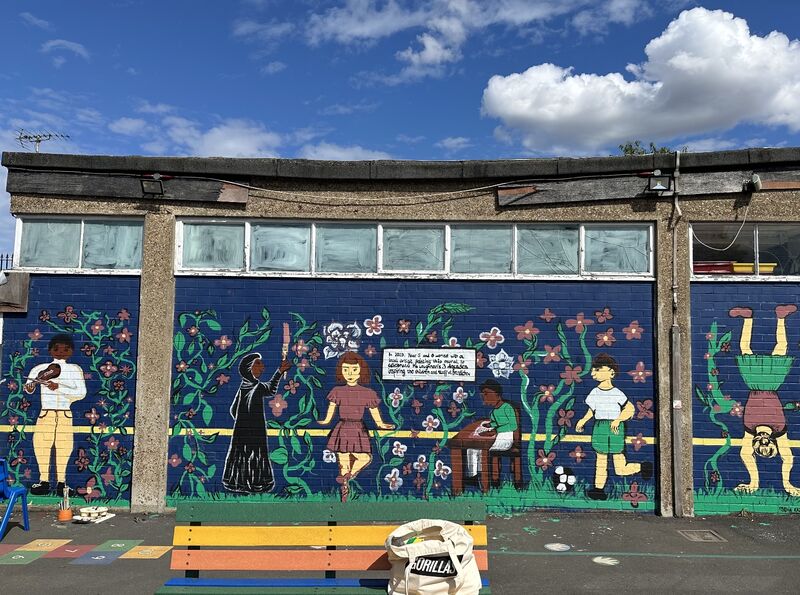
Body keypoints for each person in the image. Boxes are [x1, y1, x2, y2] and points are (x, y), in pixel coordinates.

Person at [729, 304, 800, 496]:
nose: (763, 444)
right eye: (768, 447)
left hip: (753, 382)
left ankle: (748, 318)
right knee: (781, 349)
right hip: (772, 383)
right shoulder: (779, 430)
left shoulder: (749, 431)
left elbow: (744, 454)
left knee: (745, 349)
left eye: (760, 448)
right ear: (773, 444)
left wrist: (753, 483)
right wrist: (788, 485)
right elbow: (788, 457)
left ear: (755, 446)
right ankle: (781, 318)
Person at [319, 351, 394, 502]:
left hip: (358, 429)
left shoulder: (367, 393)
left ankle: (348, 476)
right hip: (342, 428)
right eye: (346, 369)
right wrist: (325, 421)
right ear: (341, 371)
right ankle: (345, 493)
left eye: (354, 369)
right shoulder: (337, 391)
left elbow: (374, 413)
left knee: (365, 457)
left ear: (361, 371)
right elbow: (331, 411)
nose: (350, 373)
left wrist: (382, 425)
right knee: (343, 462)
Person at [576, 353, 652, 500]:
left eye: (598, 369)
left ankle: (641, 467)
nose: (593, 373)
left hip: (615, 429)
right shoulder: (594, 393)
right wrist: (583, 421)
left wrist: (618, 420)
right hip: (600, 428)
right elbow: (592, 410)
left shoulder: (617, 394)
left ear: (611, 372)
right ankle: (598, 490)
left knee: (619, 468)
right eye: (593, 370)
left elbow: (629, 409)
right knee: (601, 461)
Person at [24, 334, 87, 496]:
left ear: (71, 351)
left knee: (64, 448)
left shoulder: (74, 369)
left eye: (65, 349)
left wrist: (58, 386)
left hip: (65, 414)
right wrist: (34, 383)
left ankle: (62, 483)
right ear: (50, 350)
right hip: (46, 414)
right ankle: (44, 481)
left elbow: (81, 393)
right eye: (56, 349)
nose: (60, 352)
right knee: (41, 446)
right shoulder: (40, 368)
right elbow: (28, 388)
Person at [222, 352, 292, 493]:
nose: (263, 368)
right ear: (249, 368)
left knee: (240, 454)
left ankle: (238, 482)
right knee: (255, 454)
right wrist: (279, 372)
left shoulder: (244, 387)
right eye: (258, 364)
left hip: (241, 431)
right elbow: (271, 389)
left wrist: (242, 421)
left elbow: (233, 410)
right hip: (255, 430)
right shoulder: (256, 387)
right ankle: (256, 483)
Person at [465, 379, 518, 483]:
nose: (484, 397)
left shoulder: (507, 407)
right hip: (497, 438)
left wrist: (495, 431)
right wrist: (490, 425)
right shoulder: (494, 412)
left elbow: (513, 425)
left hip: (506, 439)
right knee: (472, 449)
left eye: (487, 394)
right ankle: (475, 475)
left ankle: (480, 475)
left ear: (497, 393)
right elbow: (496, 422)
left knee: (480, 447)